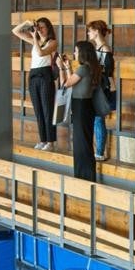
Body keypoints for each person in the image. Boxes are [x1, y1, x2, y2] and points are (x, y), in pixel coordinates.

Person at [12, 17, 58, 151]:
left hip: (45, 75)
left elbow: (41, 52)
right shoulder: (35, 40)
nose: (40, 30)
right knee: (38, 110)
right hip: (33, 75)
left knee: (47, 109)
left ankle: (50, 141)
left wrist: (35, 38)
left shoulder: (53, 42)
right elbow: (15, 31)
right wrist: (27, 23)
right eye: (38, 27)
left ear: (48, 28)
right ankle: (43, 139)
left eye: (42, 27)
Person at [57, 41, 100, 182]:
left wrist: (60, 69)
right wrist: (68, 67)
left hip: (81, 106)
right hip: (86, 106)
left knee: (81, 142)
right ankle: (86, 174)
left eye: (76, 51)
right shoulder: (90, 67)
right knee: (84, 141)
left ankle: (83, 175)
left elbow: (65, 84)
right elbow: (74, 82)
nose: (74, 53)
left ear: (82, 52)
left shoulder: (83, 69)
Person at [86, 20, 115, 162]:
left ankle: (100, 151)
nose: (88, 33)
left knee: (99, 119)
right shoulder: (97, 48)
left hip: (103, 88)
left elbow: (108, 71)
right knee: (96, 119)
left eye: (90, 30)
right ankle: (97, 150)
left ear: (96, 31)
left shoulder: (105, 49)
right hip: (96, 86)